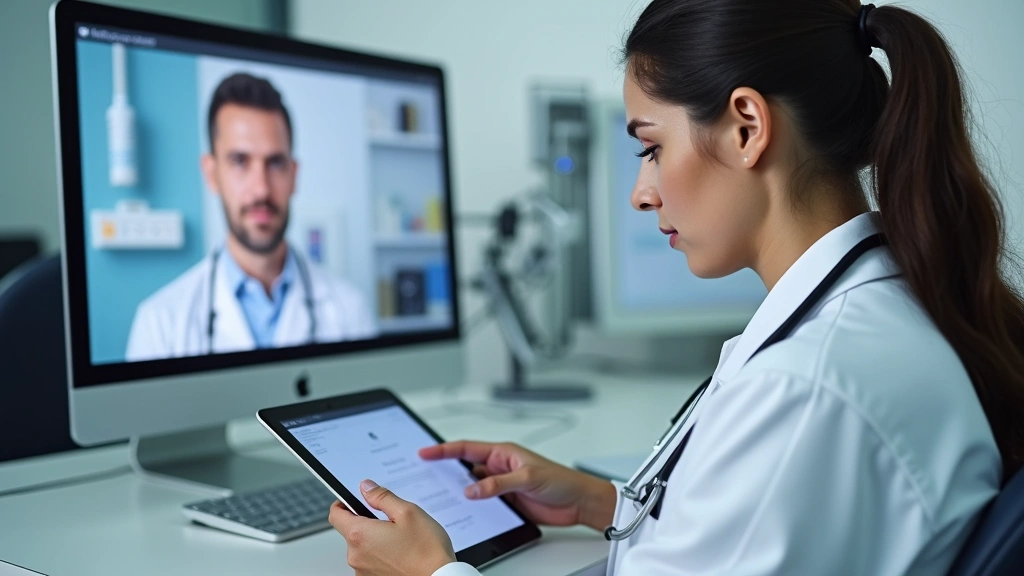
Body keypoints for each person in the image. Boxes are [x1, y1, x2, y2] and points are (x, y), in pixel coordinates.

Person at [326, 1, 1024, 574]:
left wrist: (431, 572)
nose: (640, 192)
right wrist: (604, 502)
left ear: (747, 128)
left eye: (652, 147)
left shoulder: (806, 387)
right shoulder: (879, 306)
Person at [126, 73, 375, 361]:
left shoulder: (350, 310)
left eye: (275, 163)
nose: (261, 189)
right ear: (211, 173)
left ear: (294, 176)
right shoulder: (160, 324)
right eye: (240, 162)